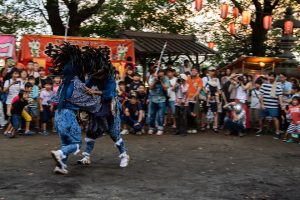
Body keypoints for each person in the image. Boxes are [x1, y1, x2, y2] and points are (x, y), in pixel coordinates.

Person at [49, 43, 103, 175]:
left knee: (66, 142)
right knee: (76, 144)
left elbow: (54, 100)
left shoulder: (62, 85)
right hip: (69, 115)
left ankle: (60, 166)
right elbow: (90, 103)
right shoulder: (78, 84)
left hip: (58, 115)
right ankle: (59, 153)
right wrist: (97, 94)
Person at [258, 72, 284, 139]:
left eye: (273, 76)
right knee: (261, 117)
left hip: (273, 106)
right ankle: (261, 130)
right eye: (270, 76)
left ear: (275, 78)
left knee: (275, 118)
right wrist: (262, 104)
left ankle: (277, 132)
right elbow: (261, 95)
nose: (271, 78)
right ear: (268, 77)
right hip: (264, 105)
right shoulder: (264, 85)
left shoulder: (278, 86)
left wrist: (281, 104)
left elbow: (280, 96)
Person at [148, 69, 170, 135]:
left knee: (161, 115)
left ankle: (160, 128)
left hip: (162, 99)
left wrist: (160, 81)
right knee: (151, 115)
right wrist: (155, 80)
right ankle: (151, 128)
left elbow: (165, 88)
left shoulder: (165, 78)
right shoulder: (152, 77)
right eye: (159, 73)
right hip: (153, 98)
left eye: (162, 73)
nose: (160, 74)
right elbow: (150, 87)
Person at [186, 67, 202, 133]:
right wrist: (187, 97)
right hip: (187, 99)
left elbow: (198, 90)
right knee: (188, 113)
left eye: (195, 71)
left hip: (195, 99)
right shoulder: (188, 79)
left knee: (195, 113)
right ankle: (189, 127)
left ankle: (194, 127)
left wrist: (193, 97)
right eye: (192, 70)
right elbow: (185, 88)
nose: (193, 72)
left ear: (197, 72)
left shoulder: (199, 79)